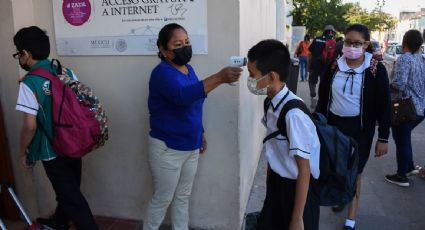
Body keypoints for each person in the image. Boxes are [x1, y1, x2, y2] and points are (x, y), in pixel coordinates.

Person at [144, 23, 242, 230]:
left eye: (187, 42)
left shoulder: (189, 69)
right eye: (178, 44)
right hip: (168, 148)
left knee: (183, 196)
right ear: (164, 50)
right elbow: (183, 97)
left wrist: (201, 132)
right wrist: (219, 78)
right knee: (163, 198)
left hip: (191, 145)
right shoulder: (161, 73)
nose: (185, 47)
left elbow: (195, 102)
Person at [13, 26, 98, 230]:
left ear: (26, 54)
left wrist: (22, 150)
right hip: (73, 140)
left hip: (51, 148)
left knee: (71, 197)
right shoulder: (65, 71)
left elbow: (30, 125)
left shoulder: (29, 83)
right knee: (69, 190)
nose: (18, 58)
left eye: (18, 53)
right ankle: (60, 222)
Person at [316, 24, 390, 230]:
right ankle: (342, 194)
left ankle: (351, 218)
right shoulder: (334, 65)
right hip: (333, 127)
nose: (351, 46)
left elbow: (384, 106)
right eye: (348, 42)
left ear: (366, 45)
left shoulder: (375, 69)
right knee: (335, 167)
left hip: (360, 131)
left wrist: (383, 138)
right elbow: (323, 98)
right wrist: (318, 123)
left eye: (357, 43)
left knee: (355, 172)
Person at [247, 39, 320, 230]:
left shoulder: (293, 115)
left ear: (271, 76)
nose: (250, 79)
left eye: (252, 74)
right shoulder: (270, 103)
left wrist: (297, 219)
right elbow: (274, 149)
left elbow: (304, 170)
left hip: (296, 193)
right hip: (277, 187)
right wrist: (270, 190)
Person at [385, 29, 425, 187]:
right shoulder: (421, 59)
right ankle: (409, 167)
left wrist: (387, 87)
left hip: (405, 107)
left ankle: (401, 176)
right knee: (404, 137)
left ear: (405, 42)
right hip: (420, 108)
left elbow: (399, 84)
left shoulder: (404, 59)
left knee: (402, 139)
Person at [308, 25, 336, 100]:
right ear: (331, 32)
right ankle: (321, 96)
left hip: (314, 64)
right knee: (323, 82)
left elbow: (310, 53)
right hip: (326, 66)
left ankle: (312, 92)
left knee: (312, 80)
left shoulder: (316, 39)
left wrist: (309, 64)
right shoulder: (332, 42)